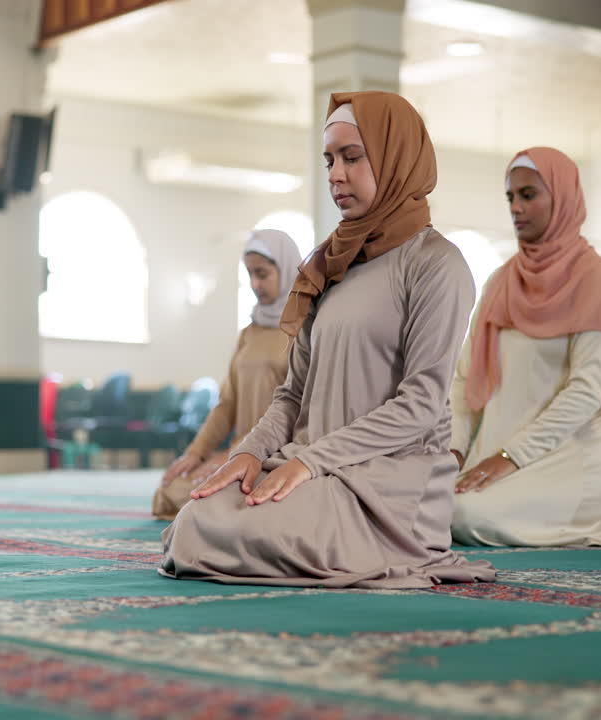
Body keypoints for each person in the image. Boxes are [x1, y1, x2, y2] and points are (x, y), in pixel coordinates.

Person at [159, 91, 495, 588]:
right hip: (311, 465)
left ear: (394, 156)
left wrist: (310, 462)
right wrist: (246, 456)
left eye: (352, 157)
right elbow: (293, 394)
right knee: (196, 519)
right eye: (329, 160)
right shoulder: (331, 264)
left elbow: (421, 404)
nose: (336, 174)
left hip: (387, 482)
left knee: (246, 531)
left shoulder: (436, 264)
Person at [450, 147, 601, 547]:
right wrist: (451, 455)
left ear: (563, 198)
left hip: (575, 460)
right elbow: (464, 382)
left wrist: (509, 457)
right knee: (418, 506)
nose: (516, 208)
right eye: (510, 197)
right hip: (496, 460)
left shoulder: (596, 278)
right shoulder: (501, 282)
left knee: (463, 516)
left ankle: (589, 520)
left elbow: (587, 390)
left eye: (528, 195)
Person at [152, 230, 302, 520]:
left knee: (205, 496)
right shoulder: (250, 331)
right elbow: (227, 405)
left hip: (278, 455)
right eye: (249, 274)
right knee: (172, 489)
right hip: (240, 450)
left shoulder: (304, 328)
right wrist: (196, 453)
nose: (255, 284)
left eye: (262, 274)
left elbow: (297, 409)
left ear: (285, 269)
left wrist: (240, 454)